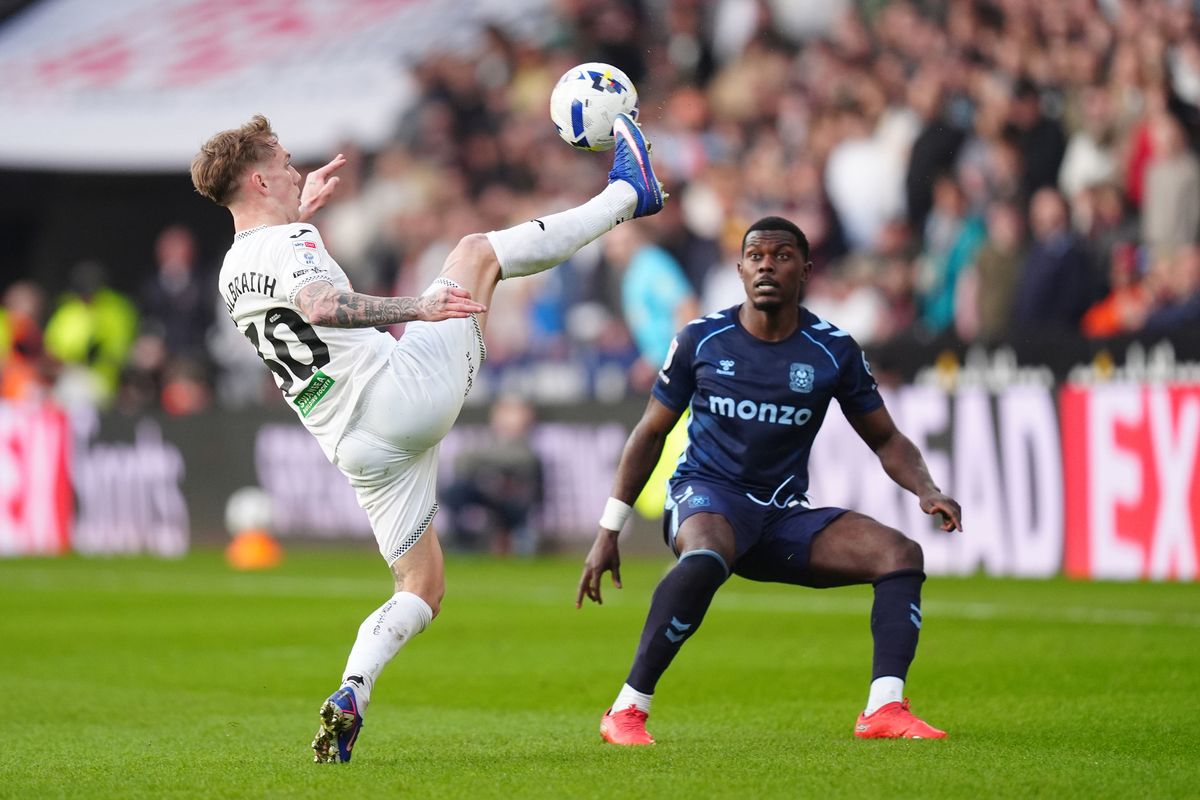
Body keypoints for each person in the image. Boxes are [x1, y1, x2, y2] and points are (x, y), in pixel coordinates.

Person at [190, 112, 663, 763]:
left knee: (422, 586)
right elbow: (322, 305)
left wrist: (295, 209)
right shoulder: (290, 242)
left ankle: (352, 690)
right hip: (396, 397)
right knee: (476, 252)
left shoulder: (233, 267)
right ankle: (629, 195)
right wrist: (416, 308)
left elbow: (280, 269)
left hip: (356, 447)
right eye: (282, 158)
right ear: (257, 176)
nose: (295, 165)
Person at [576, 216, 962, 745]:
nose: (766, 265)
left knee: (900, 554)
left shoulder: (832, 350)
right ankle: (627, 710)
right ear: (739, 270)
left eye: (781, 256)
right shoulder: (700, 340)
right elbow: (649, 434)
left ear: (804, 270)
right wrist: (608, 529)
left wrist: (927, 488)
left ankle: (884, 708)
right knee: (707, 554)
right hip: (706, 496)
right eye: (755, 256)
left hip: (780, 514)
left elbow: (886, 438)